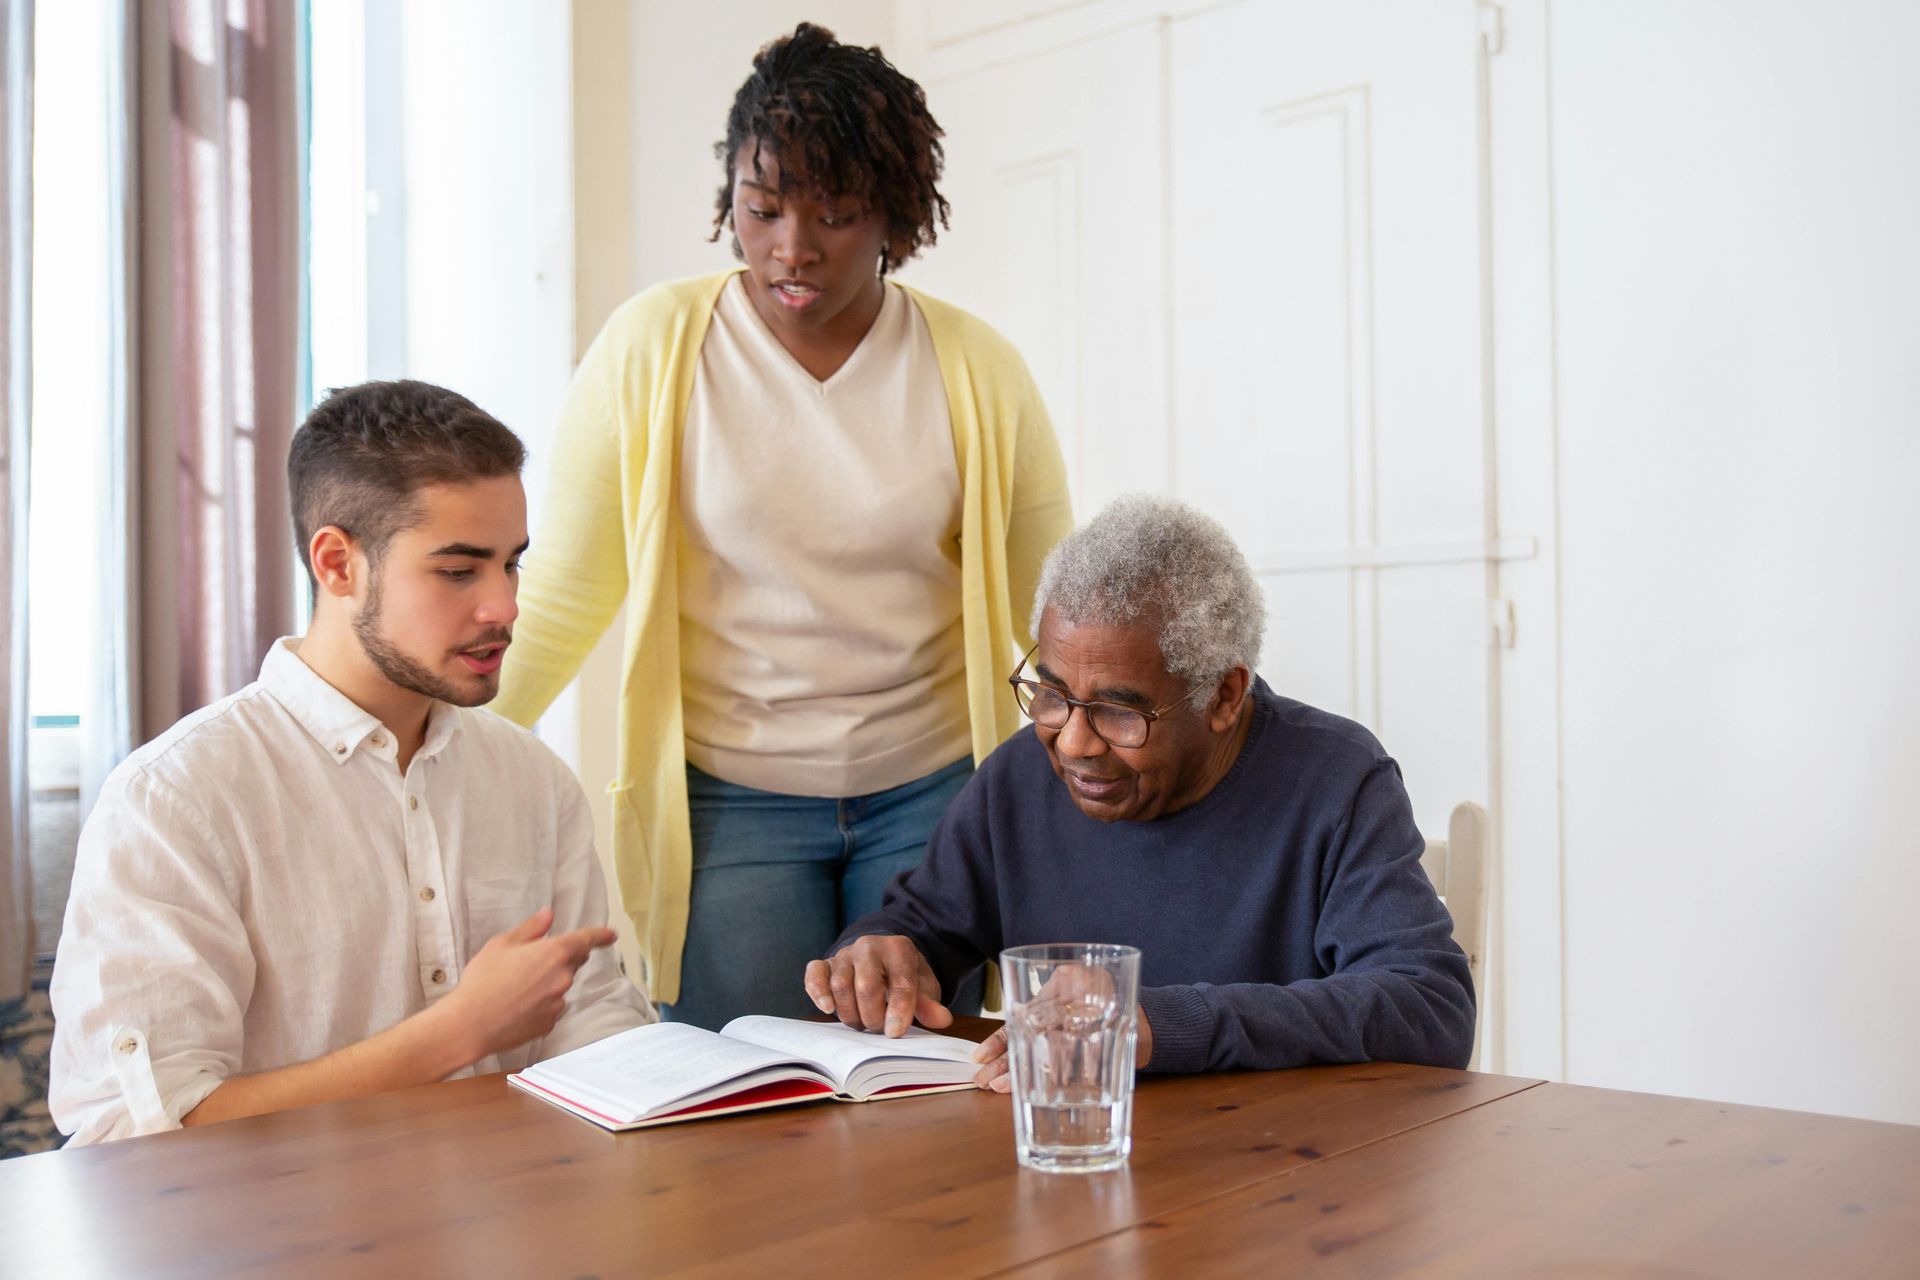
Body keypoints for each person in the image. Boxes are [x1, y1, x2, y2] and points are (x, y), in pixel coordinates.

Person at [494, 23, 1073, 1029]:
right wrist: (423, 740)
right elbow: (565, 591)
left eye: (835, 215)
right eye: (761, 210)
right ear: (731, 199)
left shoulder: (976, 369)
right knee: (741, 1102)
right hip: (731, 803)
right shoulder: (652, 350)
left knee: (915, 1094)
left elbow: (1056, 609)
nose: (790, 248)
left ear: (897, 213)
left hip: (932, 793)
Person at [49, 381, 652, 1145]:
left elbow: (593, 1030)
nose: (504, 606)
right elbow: (128, 1134)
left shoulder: (535, 784)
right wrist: (454, 1034)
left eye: (512, 564)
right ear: (338, 564)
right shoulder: (175, 800)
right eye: (460, 571)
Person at [804, 495, 1476, 1083]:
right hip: (1065, 1176)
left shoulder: (1335, 781)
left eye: (1120, 712)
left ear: (1223, 695)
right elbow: (921, 927)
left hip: (1276, 1185)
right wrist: (884, 957)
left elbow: (1428, 1006)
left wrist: (1160, 1024)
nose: (1072, 741)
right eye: (1052, 693)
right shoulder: (1017, 779)